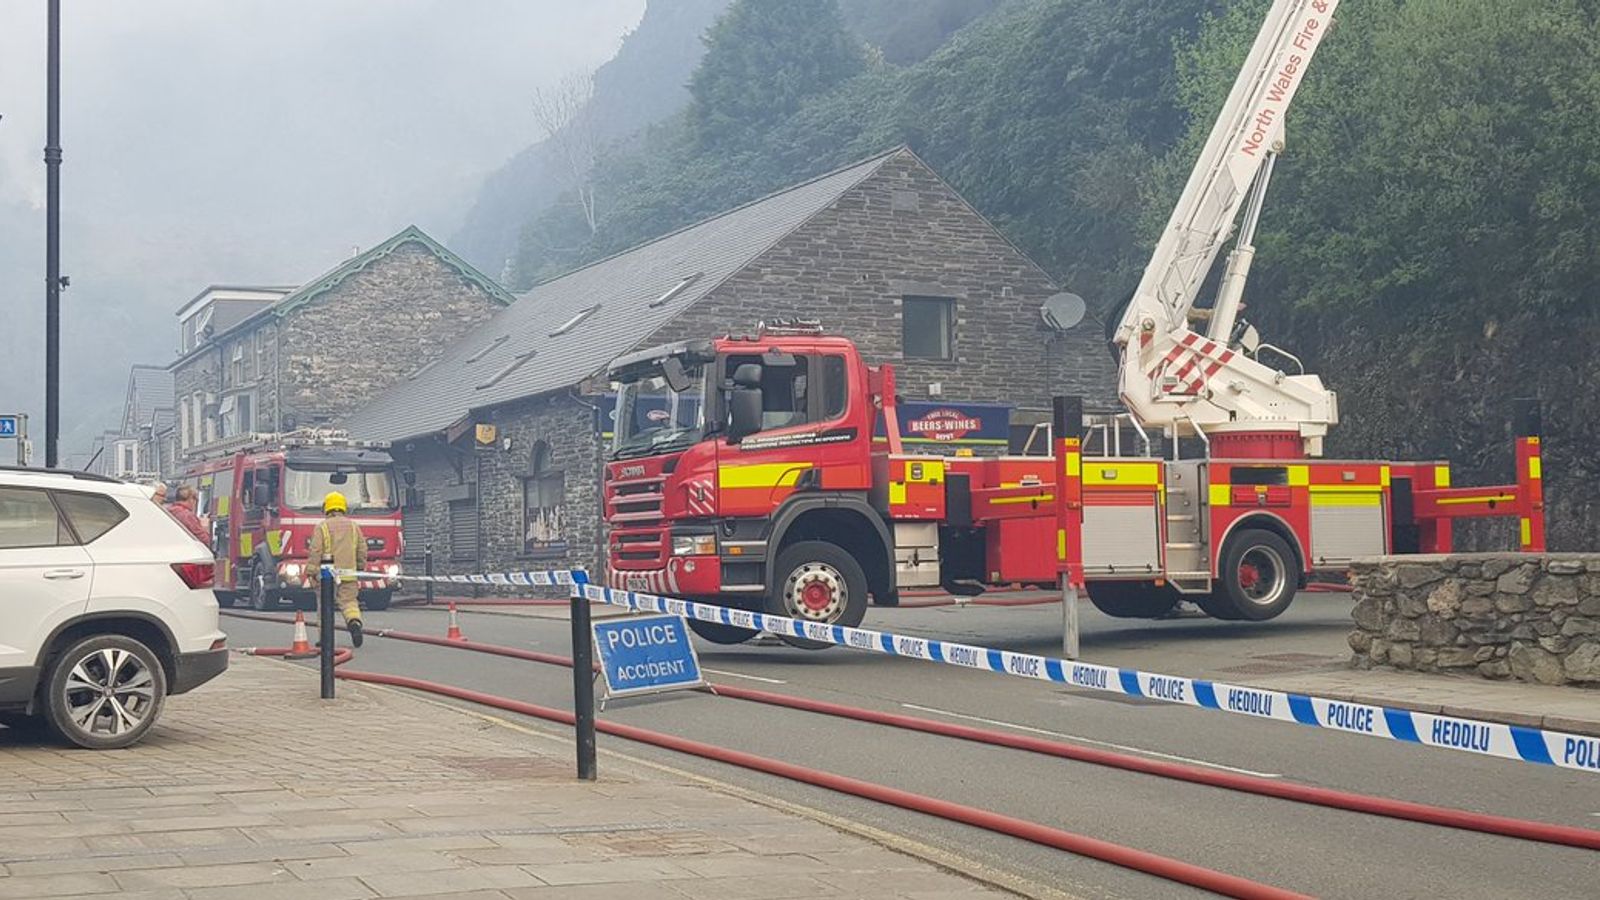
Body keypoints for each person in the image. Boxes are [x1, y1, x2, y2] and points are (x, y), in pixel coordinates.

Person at [304, 491, 366, 648]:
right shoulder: (354, 527)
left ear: (326, 507)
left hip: (327, 576)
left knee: (324, 606)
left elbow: (315, 550)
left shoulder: (322, 527)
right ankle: (354, 622)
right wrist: (359, 568)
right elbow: (362, 549)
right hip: (349, 574)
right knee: (349, 603)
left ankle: (325, 638)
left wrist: (311, 571)